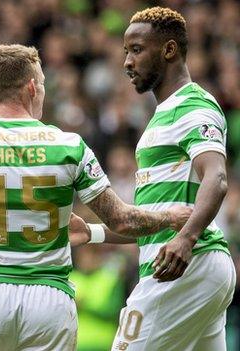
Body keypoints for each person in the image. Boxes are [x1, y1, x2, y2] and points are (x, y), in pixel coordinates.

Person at [0, 44, 191, 351]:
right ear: (32, 87)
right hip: (50, 301)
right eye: (42, 83)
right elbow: (122, 220)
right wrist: (171, 217)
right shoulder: (69, 145)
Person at [72, 6, 236, 350]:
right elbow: (156, 220)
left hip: (186, 265)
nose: (127, 62)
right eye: (125, 52)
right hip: (196, 266)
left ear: (169, 50)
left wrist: (187, 239)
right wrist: (94, 232)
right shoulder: (161, 118)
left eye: (136, 50)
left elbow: (217, 178)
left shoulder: (194, 105)